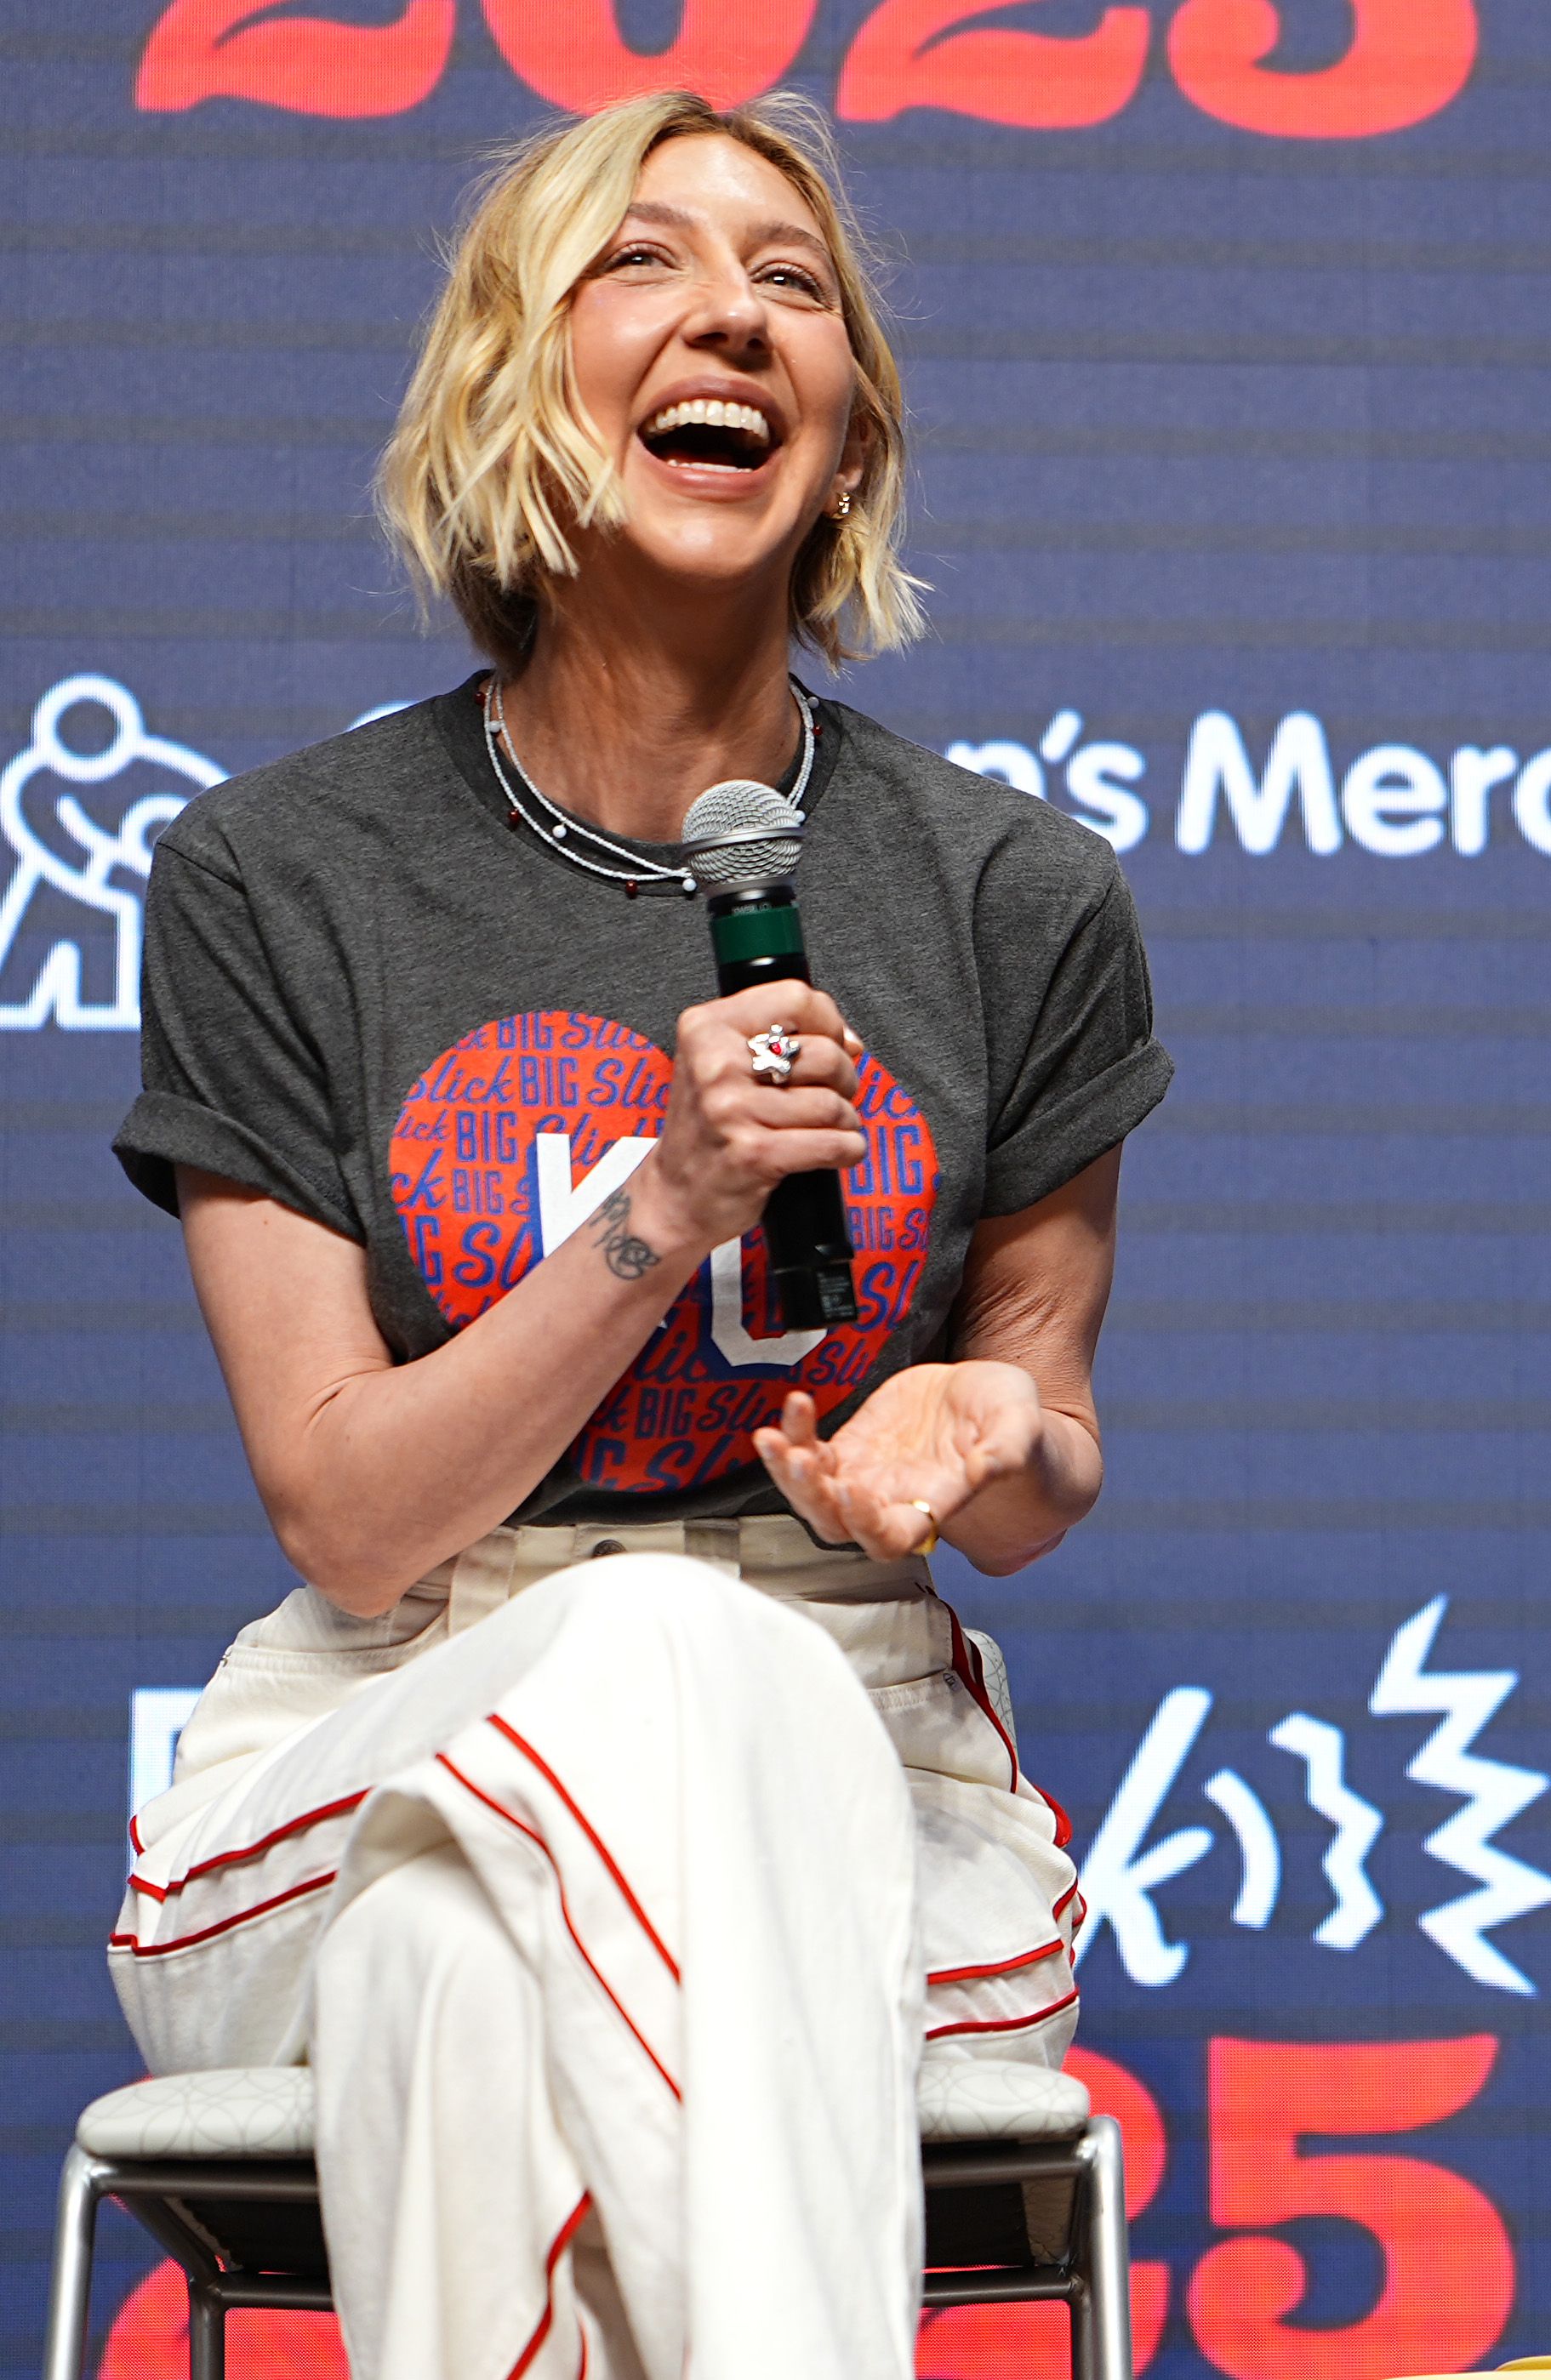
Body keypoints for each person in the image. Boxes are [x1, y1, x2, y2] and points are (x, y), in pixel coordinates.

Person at [105, 91, 1172, 2379]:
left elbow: (1045, 1456)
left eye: (795, 284)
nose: (734, 319)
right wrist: (656, 1211)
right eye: (645, 267)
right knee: (659, 1663)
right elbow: (353, 1514)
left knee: (459, 1982)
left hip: (868, 1766)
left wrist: (993, 1433)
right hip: (389, 1706)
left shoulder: (1015, 900)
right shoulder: (282, 879)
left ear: (851, 439)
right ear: (513, 382)